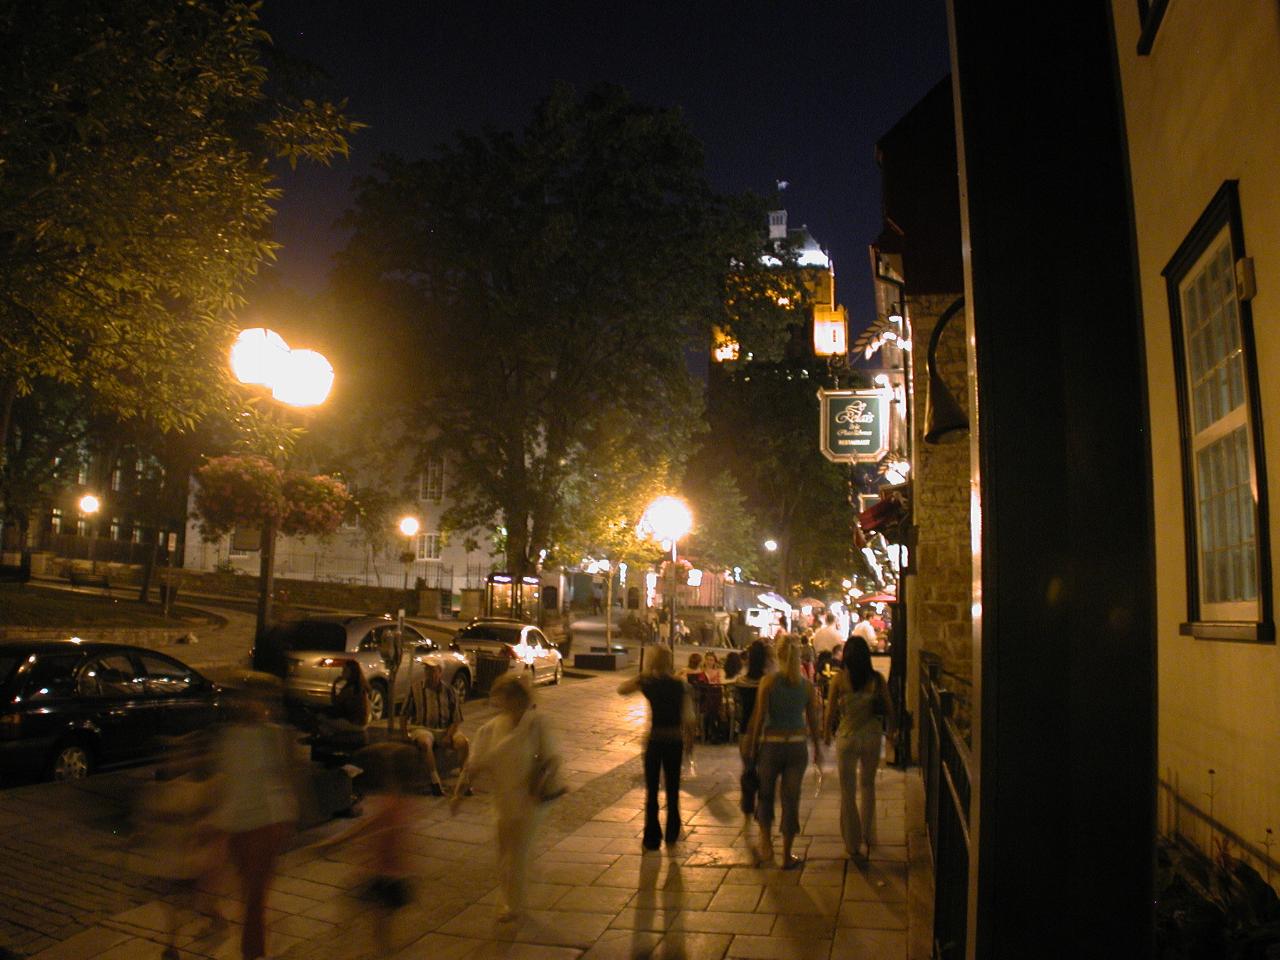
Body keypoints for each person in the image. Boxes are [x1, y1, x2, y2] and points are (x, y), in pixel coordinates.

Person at [451, 674, 562, 921]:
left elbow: (552, 760)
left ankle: (514, 904)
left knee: (518, 853)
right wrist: (459, 794)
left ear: (520, 697)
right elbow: (474, 765)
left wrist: (541, 783)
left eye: (507, 696)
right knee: (504, 854)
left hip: (529, 801)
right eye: (501, 697)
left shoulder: (537, 723)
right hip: (502, 801)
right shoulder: (491, 729)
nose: (503, 702)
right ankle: (508, 896)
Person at [212, 674, 298, 960]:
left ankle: (252, 952)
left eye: (260, 699)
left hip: (264, 824)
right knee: (249, 896)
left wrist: (288, 818)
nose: (254, 704)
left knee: (254, 899)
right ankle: (254, 950)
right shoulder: (231, 735)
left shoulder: (272, 735)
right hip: (239, 824)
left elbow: (286, 777)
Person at [314, 742, 416, 956]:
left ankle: (353, 951)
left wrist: (333, 843)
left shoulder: (387, 804)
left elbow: (363, 829)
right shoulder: (404, 802)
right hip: (397, 876)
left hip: (382, 877)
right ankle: (380, 952)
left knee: (360, 917)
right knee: (380, 925)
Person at [745, 638, 823, 869]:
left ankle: (766, 845)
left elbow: (759, 718)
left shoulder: (769, 682)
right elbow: (813, 721)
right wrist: (818, 748)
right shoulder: (806, 686)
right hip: (797, 747)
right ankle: (787, 855)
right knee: (791, 799)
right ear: (799, 658)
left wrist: (752, 746)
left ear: (778, 657)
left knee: (766, 795)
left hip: (772, 745)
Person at [618, 644, 696, 850]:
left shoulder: (648, 683)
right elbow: (689, 717)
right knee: (673, 787)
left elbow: (622, 689)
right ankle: (672, 831)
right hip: (674, 740)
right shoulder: (681, 685)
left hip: (655, 740)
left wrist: (643, 674)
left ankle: (652, 836)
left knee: (652, 790)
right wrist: (690, 741)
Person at [825, 637, 896, 859]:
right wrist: (892, 734)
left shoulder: (839, 680)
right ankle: (868, 835)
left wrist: (825, 733)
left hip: (847, 736)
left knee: (847, 791)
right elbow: (890, 710)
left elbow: (830, 712)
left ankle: (852, 842)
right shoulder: (877, 679)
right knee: (868, 786)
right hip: (871, 736)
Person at [403, 662, 469, 796]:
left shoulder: (449, 691)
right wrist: (404, 733)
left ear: (440, 673)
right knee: (425, 743)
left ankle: (464, 781)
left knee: (463, 743)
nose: (430, 674)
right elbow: (404, 714)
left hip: (445, 728)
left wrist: (448, 735)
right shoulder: (415, 689)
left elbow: (456, 718)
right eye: (427, 671)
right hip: (423, 727)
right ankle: (435, 781)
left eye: (433, 671)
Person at [733, 640, 768, 839]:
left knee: (748, 771)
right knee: (765, 775)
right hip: (765, 732)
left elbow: (738, 706)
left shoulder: (741, 682)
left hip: (745, 732)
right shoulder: (768, 682)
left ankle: (747, 813)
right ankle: (762, 815)